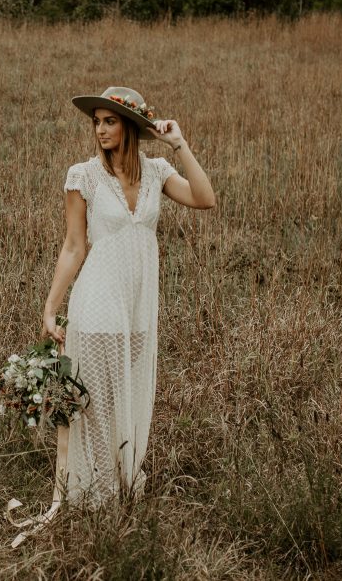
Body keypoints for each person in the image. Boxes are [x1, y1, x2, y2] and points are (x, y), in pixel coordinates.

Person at [41, 86, 216, 510]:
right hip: (98, 304)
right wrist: (51, 307)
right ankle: (96, 499)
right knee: (97, 405)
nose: (100, 130)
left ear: (131, 127)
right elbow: (73, 246)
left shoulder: (156, 171)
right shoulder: (83, 176)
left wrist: (180, 145)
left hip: (139, 309)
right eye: (96, 121)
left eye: (110, 121)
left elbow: (205, 198)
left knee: (126, 399)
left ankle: (118, 486)